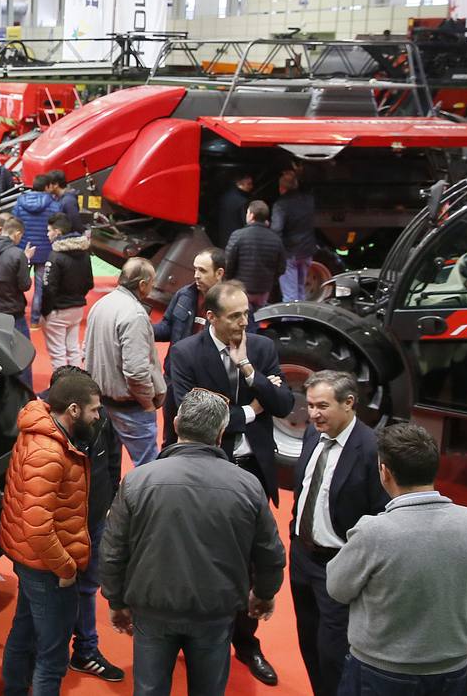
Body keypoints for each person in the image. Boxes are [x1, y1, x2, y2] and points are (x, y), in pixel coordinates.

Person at [102, 389, 286, 696]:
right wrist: (265, 594)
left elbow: (113, 549)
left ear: (175, 423)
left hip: (152, 607)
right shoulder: (247, 485)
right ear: (221, 432)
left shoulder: (138, 480)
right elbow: (269, 552)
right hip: (215, 611)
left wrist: (116, 599)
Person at [166, 279, 293, 684]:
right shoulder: (185, 353)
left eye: (246, 314)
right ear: (211, 318)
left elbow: (285, 403)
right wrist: (252, 411)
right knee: (199, 555)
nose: (245, 322)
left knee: (251, 562)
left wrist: (251, 373)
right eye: (235, 316)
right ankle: (193, 637)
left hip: (252, 471)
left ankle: (246, 641)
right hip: (200, 469)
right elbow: (193, 416)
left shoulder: (262, 349)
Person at [326, 424, 467, 694]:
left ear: (385, 471)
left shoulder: (372, 533)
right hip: (455, 672)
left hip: (379, 674)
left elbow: (336, 589)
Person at [288, 370, 389, 696]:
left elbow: (381, 516)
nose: (313, 413)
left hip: (340, 566)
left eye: (322, 406)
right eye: (311, 405)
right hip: (302, 558)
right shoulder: (312, 435)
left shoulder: (372, 450)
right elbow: (303, 489)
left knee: (333, 652)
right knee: (308, 641)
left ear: (349, 403)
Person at [0, 370, 98, 696]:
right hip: (47, 567)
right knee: (52, 657)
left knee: (23, 632)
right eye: (94, 410)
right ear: (73, 410)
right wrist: (66, 568)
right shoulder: (51, 453)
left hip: (28, 559)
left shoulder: (37, 430)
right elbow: (39, 528)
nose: (98, 417)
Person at [62, 366, 126, 683]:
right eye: (92, 408)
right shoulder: (47, 438)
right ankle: (45, 654)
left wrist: (110, 501)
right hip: (57, 532)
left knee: (87, 588)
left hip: (94, 521)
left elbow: (113, 461)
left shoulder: (101, 423)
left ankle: (85, 651)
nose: (97, 414)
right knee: (47, 595)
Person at [84, 258, 166, 467]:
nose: (153, 286)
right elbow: (136, 372)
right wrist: (147, 403)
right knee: (148, 469)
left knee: (108, 466)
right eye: (152, 282)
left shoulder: (101, 304)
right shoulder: (135, 315)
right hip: (131, 407)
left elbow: (86, 350)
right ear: (142, 285)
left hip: (102, 403)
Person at [154, 247, 228, 446]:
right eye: (195, 269)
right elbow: (167, 327)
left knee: (206, 442)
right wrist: (141, 329)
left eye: (202, 270)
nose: (196, 275)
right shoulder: (184, 295)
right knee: (171, 440)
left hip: (211, 387)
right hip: (176, 381)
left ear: (219, 273)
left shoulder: (231, 303)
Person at [0, 217, 37, 389]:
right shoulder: (16, 254)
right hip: (14, 314)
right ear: (17, 234)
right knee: (23, 356)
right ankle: (26, 396)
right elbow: (25, 285)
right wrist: (26, 262)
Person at [40, 213, 92, 371]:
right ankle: (78, 384)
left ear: (57, 232)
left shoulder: (56, 256)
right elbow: (89, 282)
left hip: (58, 310)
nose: (47, 234)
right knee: (73, 350)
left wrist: (46, 311)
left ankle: (59, 388)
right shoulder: (84, 253)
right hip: (77, 309)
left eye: (49, 231)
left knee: (58, 354)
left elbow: (48, 287)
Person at [12, 174, 58, 325]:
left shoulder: (20, 202)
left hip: (23, 248)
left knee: (17, 283)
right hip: (45, 251)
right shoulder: (53, 204)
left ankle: (17, 312)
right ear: (46, 187)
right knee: (40, 287)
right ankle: (34, 320)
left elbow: (14, 223)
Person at [225, 200, 286, 310]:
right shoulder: (276, 239)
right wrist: (270, 281)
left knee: (240, 319)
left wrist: (228, 282)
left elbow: (228, 263)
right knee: (257, 320)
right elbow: (281, 267)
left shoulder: (238, 235)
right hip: (263, 290)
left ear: (251, 215)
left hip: (240, 288)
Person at [272, 166, 318, 301]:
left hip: (289, 252)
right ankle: (301, 319)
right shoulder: (309, 200)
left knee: (289, 295)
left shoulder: (280, 205)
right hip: (307, 249)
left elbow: (276, 230)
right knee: (300, 290)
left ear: (281, 188)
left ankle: (290, 322)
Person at [213, 171, 254, 248]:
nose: (251, 187)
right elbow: (246, 222)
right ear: (240, 183)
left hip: (223, 237)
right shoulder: (243, 201)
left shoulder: (224, 197)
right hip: (238, 239)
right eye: (249, 184)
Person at [45, 170, 84, 235]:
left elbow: (76, 226)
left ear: (56, 185)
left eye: (48, 185)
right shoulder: (58, 198)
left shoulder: (68, 202)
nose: (46, 187)